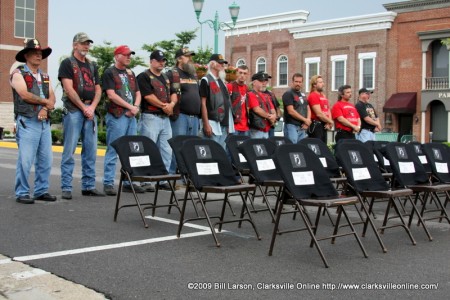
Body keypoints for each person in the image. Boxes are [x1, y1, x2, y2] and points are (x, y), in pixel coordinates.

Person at [10, 39, 57, 204]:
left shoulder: (44, 76)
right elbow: (24, 94)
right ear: (26, 55)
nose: (39, 55)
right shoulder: (18, 73)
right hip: (27, 121)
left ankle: (41, 190)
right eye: (35, 53)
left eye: (40, 53)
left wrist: (46, 108)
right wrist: (45, 103)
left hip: (44, 122)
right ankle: (22, 192)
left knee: (46, 159)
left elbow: (52, 96)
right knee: (26, 159)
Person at [59, 32, 104, 199]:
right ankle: (66, 187)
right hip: (73, 110)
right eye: (83, 43)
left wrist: (91, 107)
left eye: (88, 43)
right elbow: (68, 89)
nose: (86, 46)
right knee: (69, 150)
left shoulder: (92, 66)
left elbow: (98, 89)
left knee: (91, 150)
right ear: (74, 45)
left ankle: (89, 186)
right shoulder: (67, 63)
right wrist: (83, 107)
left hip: (89, 110)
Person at [102, 45, 144, 195]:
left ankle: (128, 181)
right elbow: (111, 95)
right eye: (126, 55)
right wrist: (130, 107)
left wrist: (136, 107)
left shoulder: (131, 73)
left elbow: (138, 92)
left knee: (131, 150)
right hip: (117, 115)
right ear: (117, 56)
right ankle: (108, 182)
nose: (129, 57)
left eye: (130, 55)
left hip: (131, 116)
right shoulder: (110, 72)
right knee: (113, 149)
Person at [137, 50, 174, 190]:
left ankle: (162, 179)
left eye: (163, 60)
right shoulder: (144, 76)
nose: (162, 62)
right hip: (150, 117)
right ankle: (145, 179)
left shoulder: (165, 77)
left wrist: (171, 105)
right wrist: (165, 106)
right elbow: (147, 96)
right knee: (148, 149)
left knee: (166, 149)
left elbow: (173, 94)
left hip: (165, 118)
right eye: (159, 60)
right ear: (151, 61)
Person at [167, 47, 201, 176]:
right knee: (178, 146)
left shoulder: (193, 74)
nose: (190, 59)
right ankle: (172, 175)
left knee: (190, 148)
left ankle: (187, 175)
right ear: (179, 58)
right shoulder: (173, 74)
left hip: (194, 117)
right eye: (188, 56)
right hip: (180, 116)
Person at [200, 54, 234, 149]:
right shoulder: (205, 80)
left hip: (223, 123)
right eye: (220, 63)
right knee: (212, 152)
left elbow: (227, 103)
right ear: (212, 64)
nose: (223, 65)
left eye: (223, 63)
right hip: (212, 123)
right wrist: (206, 124)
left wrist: (228, 124)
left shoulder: (222, 82)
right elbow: (203, 103)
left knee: (220, 153)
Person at [282, 73, 311, 143]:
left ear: (302, 83)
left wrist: (307, 121)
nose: (298, 83)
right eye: (296, 81)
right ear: (292, 82)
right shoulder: (288, 94)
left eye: (300, 82)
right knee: (291, 147)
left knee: (301, 148)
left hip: (302, 126)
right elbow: (291, 111)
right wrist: (305, 120)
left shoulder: (303, 94)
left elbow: (308, 108)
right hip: (291, 126)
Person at [247, 71, 277, 139]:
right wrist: (271, 117)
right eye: (261, 81)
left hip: (266, 128)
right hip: (256, 128)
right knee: (256, 148)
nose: (264, 83)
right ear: (254, 82)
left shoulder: (266, 95)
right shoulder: (251, 94)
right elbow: (257, 109)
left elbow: (272, 109)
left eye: (266, 81)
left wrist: (274, 116)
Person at [307, 75, 333, 143]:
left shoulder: (323, 95)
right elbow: (319, 114)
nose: (323, 84)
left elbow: (328, 110)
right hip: (316, 125)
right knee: (317, 146)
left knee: (323, 147)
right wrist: (331, 122)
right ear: (314, 85)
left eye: (323, 82)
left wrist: (329, 121)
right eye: (320, 82)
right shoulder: (313, 95)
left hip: (324, 124)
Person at [227, 65, 250, 136]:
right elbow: (226, 106)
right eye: (240, 73)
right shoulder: (230, 86)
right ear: (236, 73)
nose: (242, 75)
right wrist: (228, 124)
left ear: (247, 75)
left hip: (246, 126)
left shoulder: (247, 88)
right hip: (234, 125)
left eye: (245, 73)